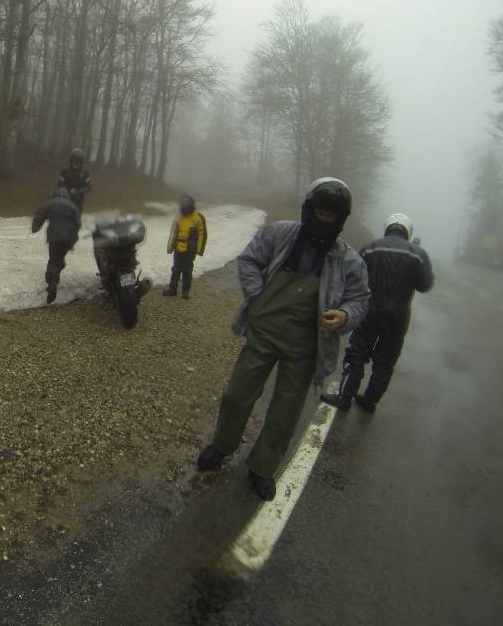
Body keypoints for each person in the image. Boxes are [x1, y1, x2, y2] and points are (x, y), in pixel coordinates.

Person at [196, 177, 370, 500]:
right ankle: (221, 446)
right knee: (237, 394)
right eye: (319, 212)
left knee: (285, 410)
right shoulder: (279, 234)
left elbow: (360, 299)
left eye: (331, 216)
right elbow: (249, 260)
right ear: (308, 209)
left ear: (340, 220)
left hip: (305, 346)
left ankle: (263, 468)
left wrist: (345, 315)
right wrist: (256, 296)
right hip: (263, 332)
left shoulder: (349, 261)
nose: (324, 219)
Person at [320, 213, 434, 413]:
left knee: (357, 351)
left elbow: (355, 276)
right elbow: (424, 286)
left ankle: (345, 397)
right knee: (386, 359)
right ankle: (370, 400)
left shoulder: (370, 248)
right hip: (399, 315)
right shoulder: (418, 253)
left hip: (370, 309)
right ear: (408, 231)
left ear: (388, 227)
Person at [31, 188, 81, 303]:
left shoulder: (50, 203)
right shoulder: (72, 206)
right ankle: (55, 275)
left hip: (54, 236)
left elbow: (39, 215)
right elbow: (77, 224)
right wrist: (74, 239)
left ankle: (52, 283)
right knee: (58, 258)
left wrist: (35, 227)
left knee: (53, 259)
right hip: (68, 237)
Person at [164, 194, 208, 299]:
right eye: (183, 205)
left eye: (186, 205)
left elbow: (202, 234)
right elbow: (174, 233)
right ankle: (172, 289)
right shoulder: (179, 217)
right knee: (175, 269)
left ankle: (185, 291)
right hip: (178, 247)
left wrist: (199, 250)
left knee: (187, 271)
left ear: (191, 205)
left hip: (190, 249)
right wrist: (171, 247)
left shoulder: (198, 217)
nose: (184, 207)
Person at [56, 148, 91, 215]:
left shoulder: (85, 173)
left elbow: (89, 187)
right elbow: (59, 185)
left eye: (78, 161)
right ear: (71, 160)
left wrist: (78, 191)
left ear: (81, 162)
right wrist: (69, 190)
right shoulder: (65, 171)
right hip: (65, 200)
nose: (76, 163)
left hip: (78, 202)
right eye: (74, 160)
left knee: (75, 219)